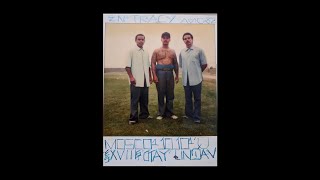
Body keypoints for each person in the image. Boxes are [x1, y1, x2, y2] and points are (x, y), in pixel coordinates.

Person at [179, 32, 207, 123]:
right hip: (186, 80)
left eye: (189, 38)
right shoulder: (182, 52)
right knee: (188, 98)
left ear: (192, 39)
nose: (187, 40)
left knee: (197, 99)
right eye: (185, 38)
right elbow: (181, 65)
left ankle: (197, 117)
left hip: (196, 79)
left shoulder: (199, 50)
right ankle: (188, 114)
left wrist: (197, 72)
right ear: (183, 40)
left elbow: (204, 64)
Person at [125, 34, 153, 125]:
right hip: (136, 80)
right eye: (139, 39)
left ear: (144, 40)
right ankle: (133, 118)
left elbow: (148, 66)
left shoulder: (146, 52)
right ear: (135, 40)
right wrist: (131, 77)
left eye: (142, 39)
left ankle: (144, 115)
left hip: (145, 80)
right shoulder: (131, 51)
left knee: (145, 99)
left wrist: (150, 77)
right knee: (135, 99)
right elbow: (127, 66)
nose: (141, 41)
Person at [151, 32, 179, 120]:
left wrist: (177, 75)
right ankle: (160, 113)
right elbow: (152, 63)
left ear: (170, 39)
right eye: (164, 37)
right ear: (161, 39)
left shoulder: (172, 51)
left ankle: (170, 113)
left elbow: (175, 63)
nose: (165, 39)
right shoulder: (156, 50)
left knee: (170, 93)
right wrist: (154, 75)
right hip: (160, 73)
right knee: (161, 93)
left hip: (170, 73)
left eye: (167, 38)